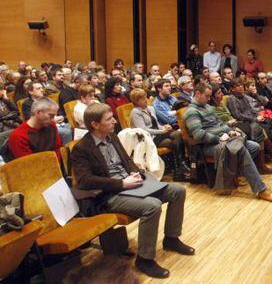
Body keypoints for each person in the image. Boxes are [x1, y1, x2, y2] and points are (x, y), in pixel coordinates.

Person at [71, 103, 194, 278]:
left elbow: (126, 161)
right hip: (108, 195)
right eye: (109, 119)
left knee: (177, 191)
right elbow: (84, 181)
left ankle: (171, 239)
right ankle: (144, 259)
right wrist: (121, 183)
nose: (115, 121)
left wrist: (137, 173)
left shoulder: (112, 136)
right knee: (152, 205)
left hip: (130, 185)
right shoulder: (81, 148)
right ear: (95, 125)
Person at [185, 82, 272, 201]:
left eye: (209, 96)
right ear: (197, 93)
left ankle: (232, 176)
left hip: (225, 139)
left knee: (254, 146)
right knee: (241, 149)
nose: (209, 98)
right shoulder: (191, 112)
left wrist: (231, 131)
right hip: (209, 145)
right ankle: (261, 189)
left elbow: (221, 124)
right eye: (206, 96)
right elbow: (199, 135)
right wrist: (219, 138)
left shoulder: (207, 107)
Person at [130, 88, 191, 181]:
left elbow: (156, 124)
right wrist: (162, 131)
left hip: (158, 134)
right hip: (147, 138)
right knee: (173, 140)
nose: (146, 100)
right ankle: (180, 168)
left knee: (177, 136)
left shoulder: (150, 108)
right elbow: (144, 130)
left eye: (145, 97)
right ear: (136, 101)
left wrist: (164, 127)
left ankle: (179, 168)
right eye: (142, 99)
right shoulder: (135, 112)